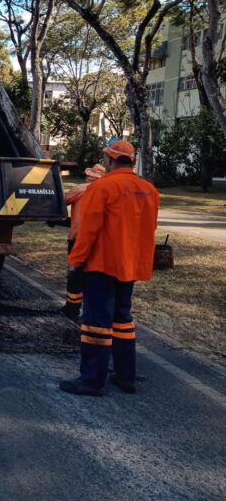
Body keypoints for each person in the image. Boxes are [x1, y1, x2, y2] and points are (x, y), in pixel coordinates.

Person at [60, 139, 159, 396]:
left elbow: (88, 230)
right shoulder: (149, 190)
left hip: (102, 264)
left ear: (110, 160)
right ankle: (126, 376)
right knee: (122, 319)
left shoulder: (102, 188)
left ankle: (92, 380)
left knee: (96, 322)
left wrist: (76, 261)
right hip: (130, 265)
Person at [61, 163, 105, 320]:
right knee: (93, 275)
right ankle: (92, 310)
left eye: (90, 174)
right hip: (99, 241)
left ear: (92, 177)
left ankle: (71, 309)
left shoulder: (82, 189)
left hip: (78, 238)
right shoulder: (107, 191)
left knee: (75, 274)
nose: (87, 176)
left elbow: (62, 200)